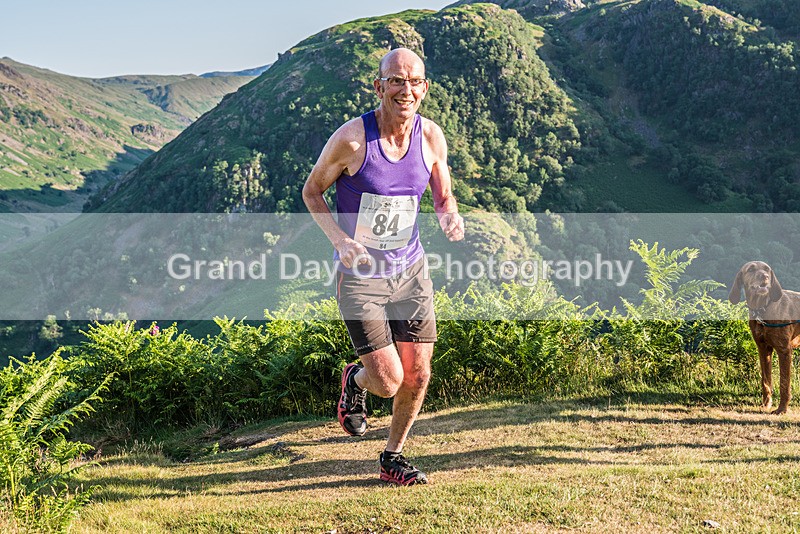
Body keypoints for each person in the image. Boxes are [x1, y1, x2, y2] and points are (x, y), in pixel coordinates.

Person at [302, 47, 464, 486]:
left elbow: (442, 193)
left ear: (424, 88)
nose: (405, 89)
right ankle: (356, 379)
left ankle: (392, 456)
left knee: (419, 373)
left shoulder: (431, 137)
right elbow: (312, 191)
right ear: (379, 87)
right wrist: (341, 240)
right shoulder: (353, 140)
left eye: (414, 81)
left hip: (410, 270)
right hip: (360, 278)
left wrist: (448, 212)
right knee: (389, 381)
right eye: (395, 80)